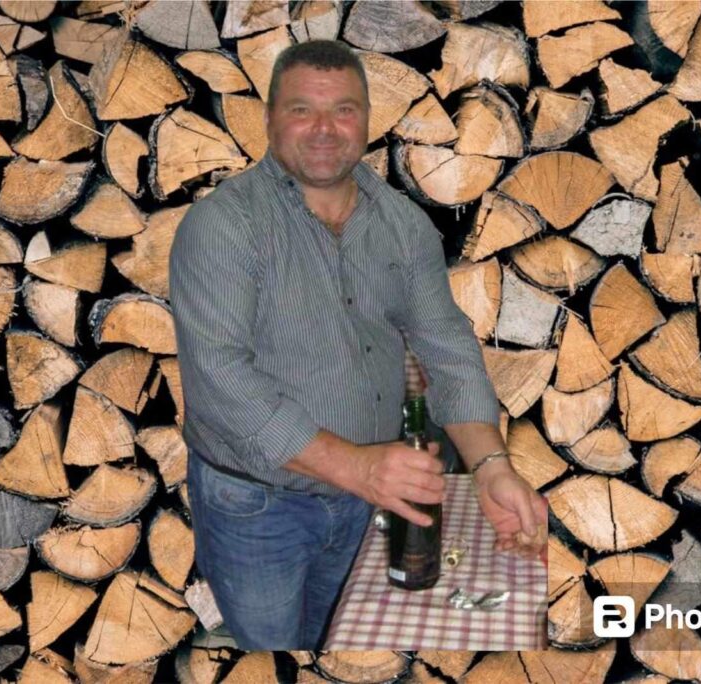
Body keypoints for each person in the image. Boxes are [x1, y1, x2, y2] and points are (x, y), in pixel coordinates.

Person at [169, 40, 547, 651]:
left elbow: (446, 347)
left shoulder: (402, 224)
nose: (324, 129)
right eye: (302, 110)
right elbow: (219, 377)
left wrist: (491, 467)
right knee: (272, 651)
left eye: (343, 110)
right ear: (269, 119)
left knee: (343, 645)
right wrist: (358, 467)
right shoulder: (223, 226)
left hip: (366, 503)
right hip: (257, 507)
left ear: (368, 119)